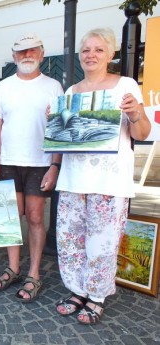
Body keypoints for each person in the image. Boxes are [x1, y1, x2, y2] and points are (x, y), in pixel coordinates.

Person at [54, 28, 150, 325]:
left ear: (111, 54)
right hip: (72, 180)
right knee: (70, 240)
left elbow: (142, 133)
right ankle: (77, 290)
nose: (91, 55)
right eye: (86, 50)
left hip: (108, 182)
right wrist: (55, 125)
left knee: (103, 244)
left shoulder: (125, 85)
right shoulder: (71, 93)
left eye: (98, 49)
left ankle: (95, 297)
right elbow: (65, 138)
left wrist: (135, 114)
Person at [0, 33, 64, 301]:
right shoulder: (4, 87)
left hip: (39, 162)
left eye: (32, 50)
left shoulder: (54, 86)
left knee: (36, 217)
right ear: (14, 56)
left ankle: (34, 274)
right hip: (8, 161)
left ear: (41, 54)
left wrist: (55, 165)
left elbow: (60, 129)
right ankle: (13, 268)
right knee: (10, 218)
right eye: (21, 51)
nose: (26, 55)